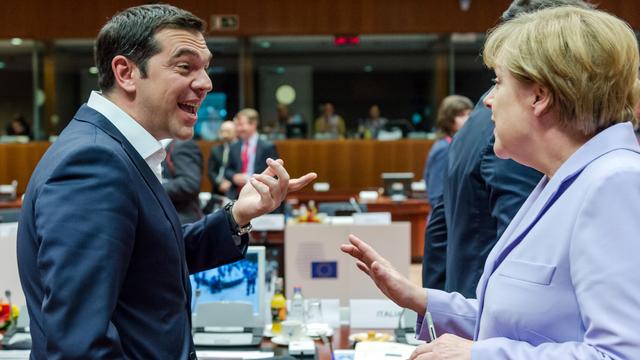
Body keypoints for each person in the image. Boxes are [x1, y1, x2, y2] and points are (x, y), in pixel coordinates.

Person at [16, 5, 316, 359]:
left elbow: (151, 256)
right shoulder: (93, 163)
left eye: (205, 67)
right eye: (185, 66)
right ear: (126, 72)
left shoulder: (115, 150)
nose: (205, 83)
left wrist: (236, 215)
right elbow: (77, 345)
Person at [343, 5, 640, 359]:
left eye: (499, 82)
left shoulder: (615, 182)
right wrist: (418, 298)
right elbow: (519, 324)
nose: (487, 100)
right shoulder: (559, 181)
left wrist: (478, 355)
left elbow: (621, 354)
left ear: (539, 96)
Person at [423, 0, 569, 297]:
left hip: (468, 310)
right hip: (499, 322)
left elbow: (438, 230)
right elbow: (526, 261)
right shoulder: (521, 132)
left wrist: (440, 313)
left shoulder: (475, 120)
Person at [422, 95, 472, 206]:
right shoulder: (444, 148)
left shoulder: (456, 145)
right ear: (448, 120)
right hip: (444, 220)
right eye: (461, 115)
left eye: (469, 114)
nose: (467, 119)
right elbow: (436, 196)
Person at [226, 108, 279, 199]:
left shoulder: (267, 146)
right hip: (237, 195)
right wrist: (234, 177)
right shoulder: (234, 146)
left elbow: (275, 174)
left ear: (253, 124)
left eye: (241, 125)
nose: (238, 129)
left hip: (260, 195)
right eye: (237, 125)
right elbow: (227, 170)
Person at [162, 139, 203, 224]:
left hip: (181, 219)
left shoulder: (182, 145)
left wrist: (151, 187)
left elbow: (190, 184)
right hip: (167, 217)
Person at [208, 120, 236, 199]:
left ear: (235, 131)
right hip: (217, 190)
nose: (224, 134)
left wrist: (231, 183)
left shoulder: (241, 148)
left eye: (228, 131)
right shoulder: (215, 150)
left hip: (235, 190)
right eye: (222, 131)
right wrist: (219, 183)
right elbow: (211, 171)